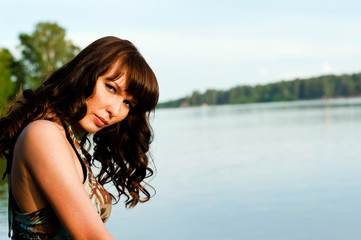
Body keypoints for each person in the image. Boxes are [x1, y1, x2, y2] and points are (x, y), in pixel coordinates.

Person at [0, 36, 159, 239]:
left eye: (128, 103)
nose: (115, 109)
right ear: (85, 73)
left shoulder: (68, 138)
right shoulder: (43, 134)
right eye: (111, 88)